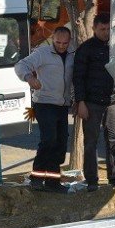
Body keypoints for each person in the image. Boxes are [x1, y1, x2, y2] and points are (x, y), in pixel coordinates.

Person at [72, 14, 115, 191]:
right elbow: (78, 77)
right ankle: (92, 180)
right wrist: (80, 102)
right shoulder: (85, 49)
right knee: (91, 142)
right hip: (91, 102)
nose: (106, 33)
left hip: (113, 100)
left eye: (108, 29)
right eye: (102, 29)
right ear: (94, 29)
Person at [15, 27, 74, 192]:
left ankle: (53, 182)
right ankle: (36, 178)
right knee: (49, 140)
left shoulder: (72, 55)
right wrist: (29, 77)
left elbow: (73, 79)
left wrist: (76, 99)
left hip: (62, 105)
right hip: (44, 103)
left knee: (60, 144)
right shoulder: (42, 53)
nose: (61, 46)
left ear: (69, 41)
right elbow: (21, 65)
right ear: (52, 39)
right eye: (58, 42)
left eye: (65, 43)